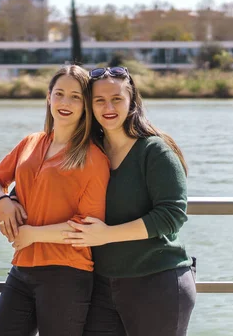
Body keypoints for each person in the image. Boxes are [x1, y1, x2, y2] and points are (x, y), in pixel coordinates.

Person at [0, 65, 111, 336]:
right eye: (59, 93)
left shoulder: (93, 158)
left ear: (86, 105)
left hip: (66, 273)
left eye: (75, 97)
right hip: (22, 267)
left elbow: (87, 227)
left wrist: (32, 235)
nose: (65, 102)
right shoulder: (31, 142)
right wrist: (2, 201)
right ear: (48, 97)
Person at [63, 66, 196, 336]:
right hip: (100, 286)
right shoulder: (89, 150)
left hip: (157, 282)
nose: (108, 107)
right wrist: (8, 199)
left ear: (132, 101)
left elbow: (172, 216)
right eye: (99, 100)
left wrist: (107, 235)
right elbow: (46, 181)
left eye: (117, 99)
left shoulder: (154, 150)